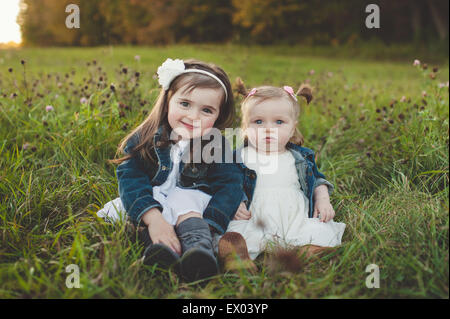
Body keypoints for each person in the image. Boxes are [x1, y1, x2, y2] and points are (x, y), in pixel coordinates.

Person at [100, 58, 243, 282]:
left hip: (192, 210)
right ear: (168, 101)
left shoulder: (216, 145)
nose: (193, 116)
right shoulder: (144, 138)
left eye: (206, 110)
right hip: (153, 201)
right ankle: (160, 250)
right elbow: (130, 178)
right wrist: (153, 218)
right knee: (142, 210)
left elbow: (231, 182)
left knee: (188, 204)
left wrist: (213, 221)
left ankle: (200, 253)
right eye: (185, 104)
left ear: (218, 116)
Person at [218, 80, 346, 271]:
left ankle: (303, 254)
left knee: (319, 231)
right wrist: (234, 202)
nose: (268, 129)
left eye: (279, 122)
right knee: (233, 237)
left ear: (292, 127)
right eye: (258, 121)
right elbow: (225, 182)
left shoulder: (300, 157)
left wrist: (323, 200)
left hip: (294, 220)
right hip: (252, 219)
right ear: (245, 127)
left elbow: (318, 180)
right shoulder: (239, 156)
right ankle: (239, 260)